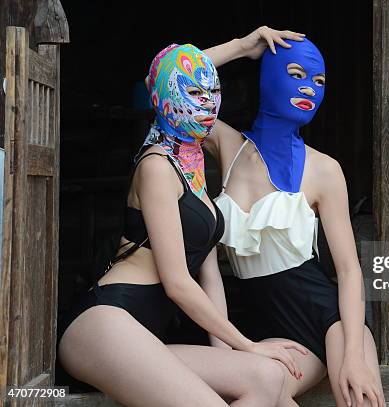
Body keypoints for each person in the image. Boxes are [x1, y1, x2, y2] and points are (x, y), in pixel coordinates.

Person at [56, 29, 308, 407]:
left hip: (147, 339)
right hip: (105, 323)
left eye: (212, 93)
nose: (206, 103)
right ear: (167, 97)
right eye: (194, 94)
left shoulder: (194, 170)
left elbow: (209, 281)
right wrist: (248, 344)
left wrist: (235, 353)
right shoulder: (156, 165)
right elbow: (177, 283)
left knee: (268, 379)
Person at [203, 35, 385, 407]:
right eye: (297, 74)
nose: (309, 88)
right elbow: (165, 83)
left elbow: (349, 271)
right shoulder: (228, 146)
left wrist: (353, 355)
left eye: (319, 82)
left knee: (359, 394)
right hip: (261, 326)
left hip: (328, 320)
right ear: (268, 76)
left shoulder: (325, 170)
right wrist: (242, 46)